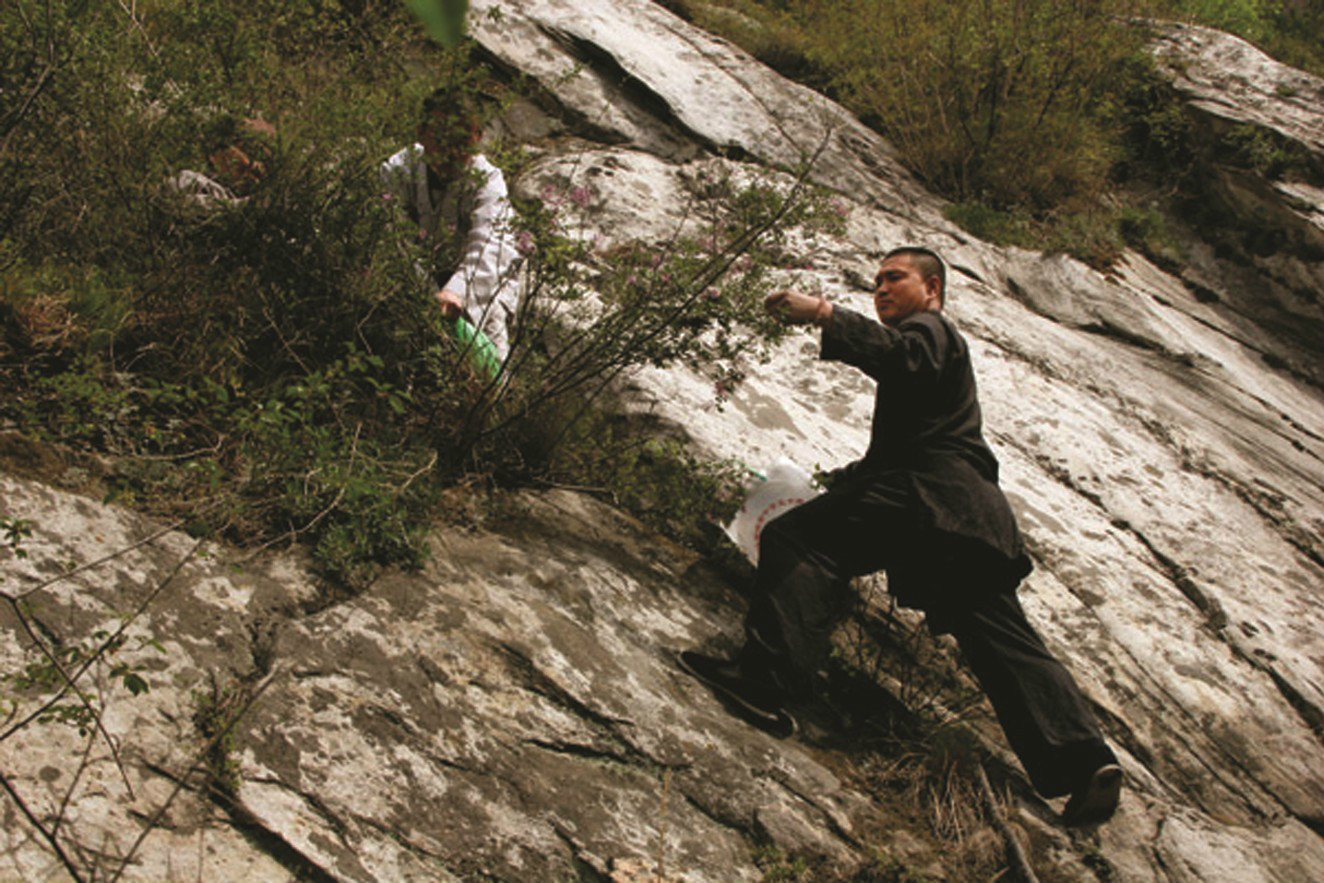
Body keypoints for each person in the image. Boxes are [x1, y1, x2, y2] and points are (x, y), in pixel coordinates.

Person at [679, 247, 1123, 826]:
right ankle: (1084, 762)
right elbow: (901, 445)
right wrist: (841, 482)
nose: (881, 288)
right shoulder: (936, 356)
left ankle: (766, 682)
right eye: (876, 282)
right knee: (997, 635)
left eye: (895, 277)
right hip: (968, 516)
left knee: (799, 540)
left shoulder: (930, 332)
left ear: (932, 289)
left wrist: (823, 313)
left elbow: (900, 357)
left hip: (924, 498)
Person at [379, 86, 522, 363]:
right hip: (416, 273)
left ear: (478, 137)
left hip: (478, 284)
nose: (451, 150)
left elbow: (490, 245)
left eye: (461, 139)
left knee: (490, 362)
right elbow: (392, 238)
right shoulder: (398, 170)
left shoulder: (488, 182)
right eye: (442, 137)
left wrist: (454, 293)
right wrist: (425, 292)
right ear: (421, 133)